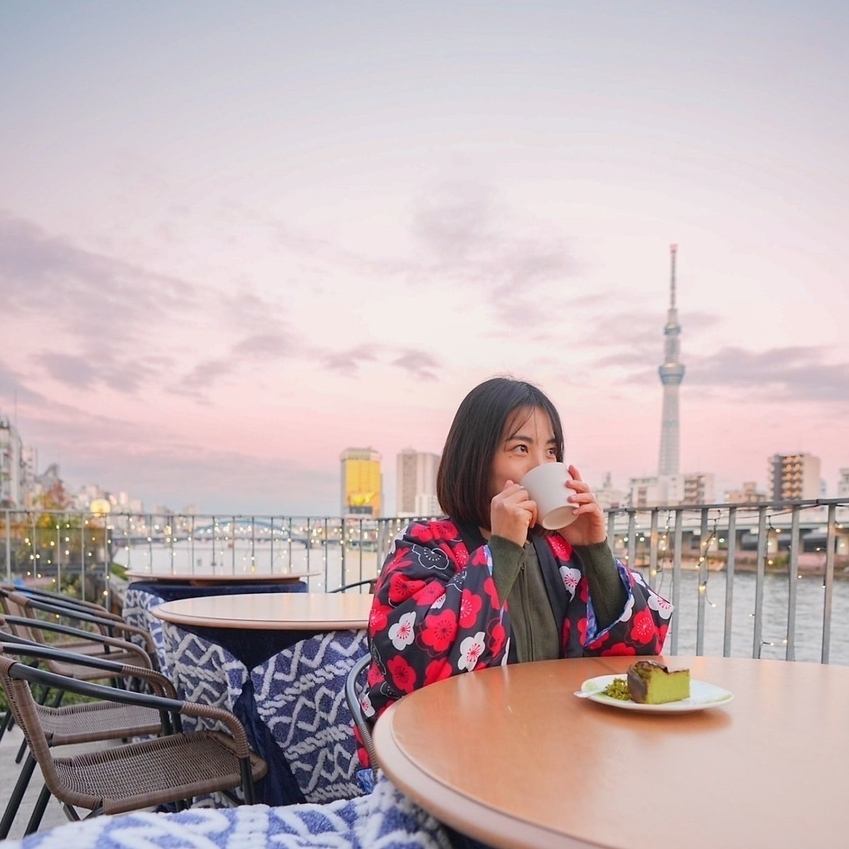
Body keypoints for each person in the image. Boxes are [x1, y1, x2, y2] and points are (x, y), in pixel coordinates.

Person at [360, 376, 673, 753]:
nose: (541, 466)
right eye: (521, 448)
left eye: (552, 452)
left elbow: (640, 649)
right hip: (443, 759)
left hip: (554, 747)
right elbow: (412, 664)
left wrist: (595, 550)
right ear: (476, 458)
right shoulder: (427, 546)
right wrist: (502, 549)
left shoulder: (561, 551)